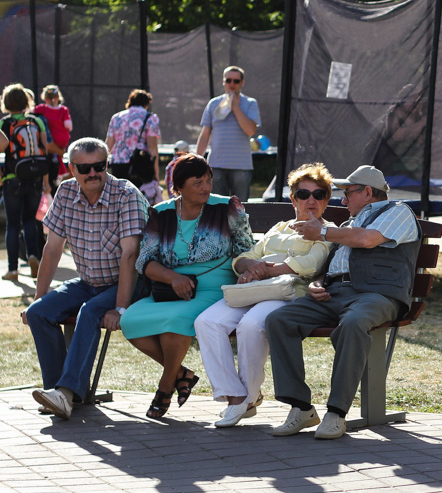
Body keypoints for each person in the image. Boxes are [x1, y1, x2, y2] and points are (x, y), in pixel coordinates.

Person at [266, 165, 421, 440]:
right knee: (279, 320)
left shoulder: (398, 212)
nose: (343, 200)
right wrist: (317, 282)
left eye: (348, 193)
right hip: (334, 293)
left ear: (368, 193)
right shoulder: (347, 226)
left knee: (353, 323)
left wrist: (323, 233)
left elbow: (367, 239)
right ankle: (300, 408)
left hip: (377, 294)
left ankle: (336, 412)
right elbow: (332, 265)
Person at [194, 163, 335, 428]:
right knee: (206, 322)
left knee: (250, 324)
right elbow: (244, 257)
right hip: (256, 288)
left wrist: (265, 270)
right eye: (304, 195)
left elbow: (312, 264)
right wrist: (250, 268)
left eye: (319, 194)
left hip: (289, 292)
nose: (311, 201)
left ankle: (246, 399)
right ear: (293, 199)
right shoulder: (280, 227)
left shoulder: (327, 231)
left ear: (327, 199)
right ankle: (238, 396)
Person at [120, 154, 254, 419]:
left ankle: (166, 385)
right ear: (178, 186)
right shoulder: (162, 212)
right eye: (198, 182)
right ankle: (181, 374)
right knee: (130, 321)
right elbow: (145, 261)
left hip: (216, 287)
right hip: (170, 286)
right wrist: (173, 278)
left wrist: (249, 270)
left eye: (208, 181)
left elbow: (247, 249)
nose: (206, 187)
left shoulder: (226, 207)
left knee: (177, 321)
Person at [26, 138, 149, 420]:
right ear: (71, 169)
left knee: (90, 311)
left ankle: (66, 394)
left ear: (107, 164)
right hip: (88, 282)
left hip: (127, 283)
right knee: (38, 313)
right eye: (85, 168)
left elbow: (131, 254)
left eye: (99, 166)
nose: (93, 173)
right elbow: (52, 248)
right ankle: (60, 393)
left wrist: (120, 308)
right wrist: (38, 297)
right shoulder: (66, 192)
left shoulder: (125, 193)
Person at [1, 83, 53, 281]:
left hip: (12, 178)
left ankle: (13, 269)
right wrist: (46, 180)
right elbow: (44, 150)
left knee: (13, 225)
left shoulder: (4, 124)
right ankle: (33, 255)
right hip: (35, 177)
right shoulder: (36, 121)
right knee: (30, 220)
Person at [195, 66, 260, 201]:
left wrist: (235, 107)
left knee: (240, 209)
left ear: (242, 83)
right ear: (223, 82)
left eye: (236, 81)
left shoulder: (250, 103)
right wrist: (197, 159)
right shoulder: (213, 104)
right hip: (216, 165)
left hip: (241, 167)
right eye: (228, 80)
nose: (232, 84)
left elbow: (250, 130)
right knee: (216, 208)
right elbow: (205, 134)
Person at [105, 89, 160, 190]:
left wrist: (103, 165)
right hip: (140, 164)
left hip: (118, 162)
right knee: (138, 198)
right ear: (146, 104)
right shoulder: (151, 118)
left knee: (119, 197)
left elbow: (108, 145)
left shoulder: (116, 117)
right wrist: (156, 172)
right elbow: (152, 147)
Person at [33, 85, 73, 155]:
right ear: (58, 97)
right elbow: (68, 126)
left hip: (52, 139)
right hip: (62, 139)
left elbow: (30, 111)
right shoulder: (64, 110)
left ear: (45, 98)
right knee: (59, 156)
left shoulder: (42, 108)